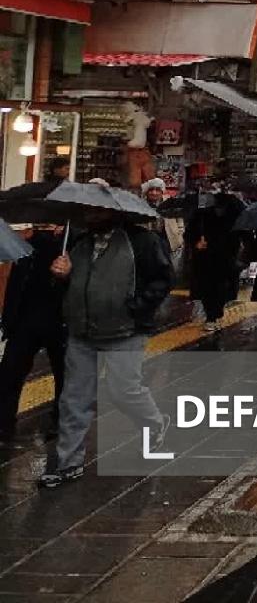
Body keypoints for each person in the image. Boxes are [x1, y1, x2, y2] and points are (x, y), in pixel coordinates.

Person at [40, 207, 171, 488]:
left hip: (125, 331)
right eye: (88, 213)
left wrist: (136, 308)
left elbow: (162, 279)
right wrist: (61, 276)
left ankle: (154, 423)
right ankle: (68, 462)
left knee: (123, 390)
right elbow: (66, 287)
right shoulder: (78, 242)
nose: (91, 217)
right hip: (82, 331)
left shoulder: (142, 241)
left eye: (97, 213)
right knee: (74, 398)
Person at [0, 222, 67, 443]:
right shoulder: (27, 245)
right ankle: (4, 423)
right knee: (9, 372)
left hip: (62, 321)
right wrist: (9, 319)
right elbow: (16, 283)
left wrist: (67, 273)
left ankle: (61, 422)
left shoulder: (73, 243)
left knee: (65, 376)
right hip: (25, 320)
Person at [184, 186, 245, 333]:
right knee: (208, 288)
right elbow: (189, 233)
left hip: (227, 256)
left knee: (223, 288)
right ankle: (211, 317)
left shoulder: (236, 207)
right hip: (205, 257)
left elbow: (243, 230)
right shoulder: (201, 212)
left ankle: (215, 312)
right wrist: (196, 243)